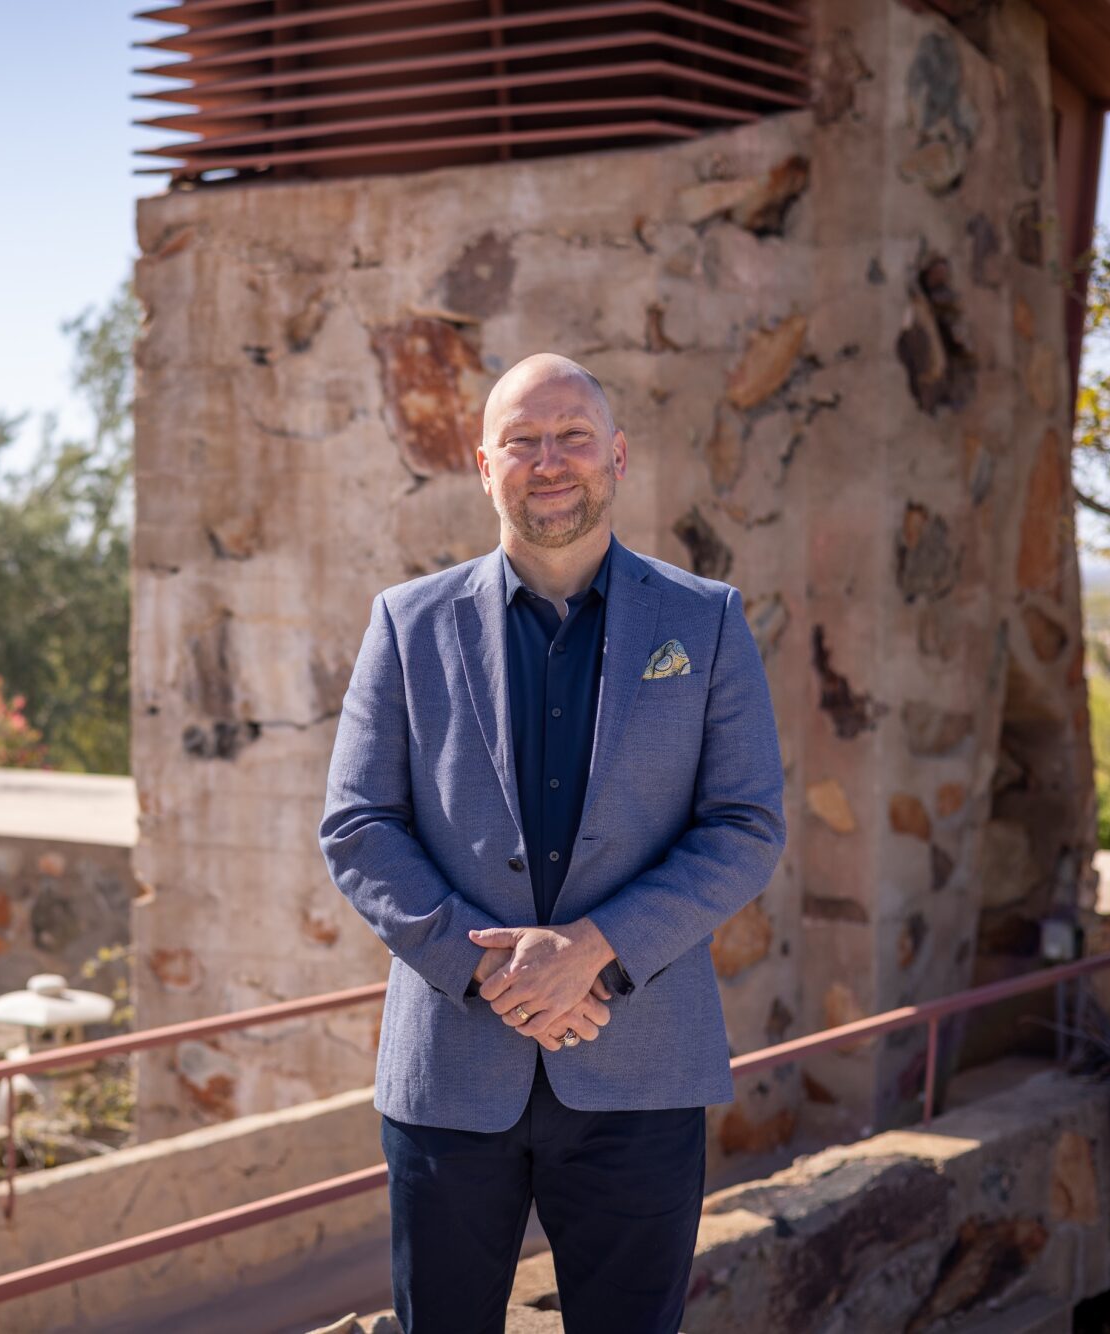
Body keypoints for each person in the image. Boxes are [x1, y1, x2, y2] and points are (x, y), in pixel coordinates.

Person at [317, 352, 787, 1333]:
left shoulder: (703, 620)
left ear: (615, 454)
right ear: (484, 467)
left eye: (572, 435)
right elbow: (358, 826)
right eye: (521, 440)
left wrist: (592, 949)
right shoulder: (406, 622)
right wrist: (492, 969)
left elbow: (744, 825)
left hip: (641, 1065)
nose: (549, 459)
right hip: (450, 1072)